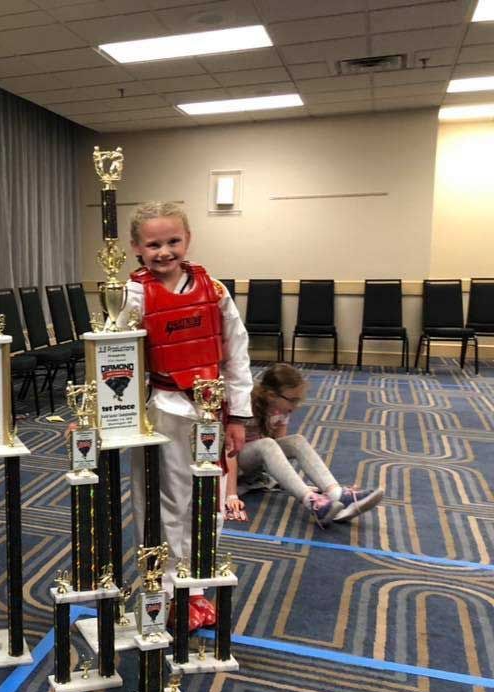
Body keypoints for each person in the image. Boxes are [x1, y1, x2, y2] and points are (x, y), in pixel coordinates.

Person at [121, 201, 253, 632]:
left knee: (208, 499)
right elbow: (116, 357)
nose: (164, 251)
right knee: (165, 502)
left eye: (173, 241)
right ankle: (161, 587)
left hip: (210, 409)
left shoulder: (213, 290)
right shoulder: (134, 294)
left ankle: (195, 590)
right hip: (162, 409)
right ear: (137, 248)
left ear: (188, 240)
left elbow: (235, 353)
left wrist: (238, 416)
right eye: (154, 244)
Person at [237, 363, 383, 527]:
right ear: (271, 395)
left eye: (298, 400)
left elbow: (279, 449)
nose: (296, 406)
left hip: (255, 466)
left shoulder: (281, 409)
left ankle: (336, 493)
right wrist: (229, 494)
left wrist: (285, 480)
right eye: (292, 400)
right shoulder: (244, 407)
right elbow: (228, 450)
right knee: (267, 444)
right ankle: (312, 502)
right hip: (235, 465)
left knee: (296, 440)